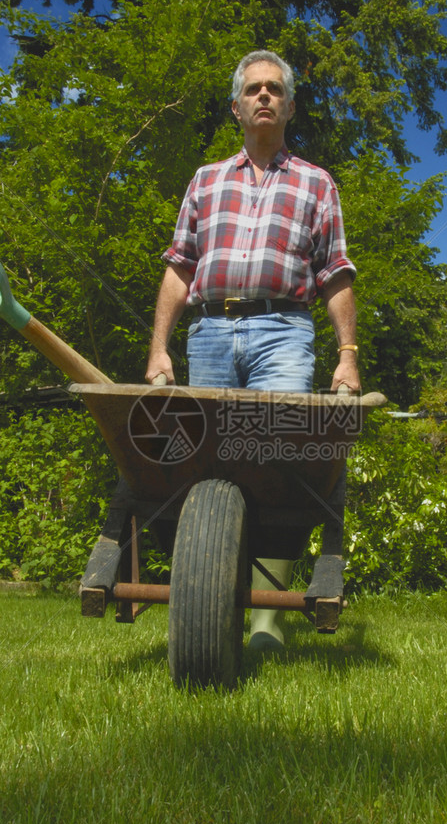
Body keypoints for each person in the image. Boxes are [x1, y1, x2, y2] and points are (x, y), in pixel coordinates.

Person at [144, 49, 360, 651]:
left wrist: (348, 353)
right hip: (209, 330)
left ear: (289, 105)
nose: (264, 96)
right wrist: (159, 348)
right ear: (237, 106)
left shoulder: (317, 182)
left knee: (280, 465)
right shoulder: (206, 180)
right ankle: (208, 606)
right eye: (254, 90)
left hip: (285, 331)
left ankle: (266, 622)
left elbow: (336, 272)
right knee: (206, 467)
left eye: (275, 89)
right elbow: (179, 268)